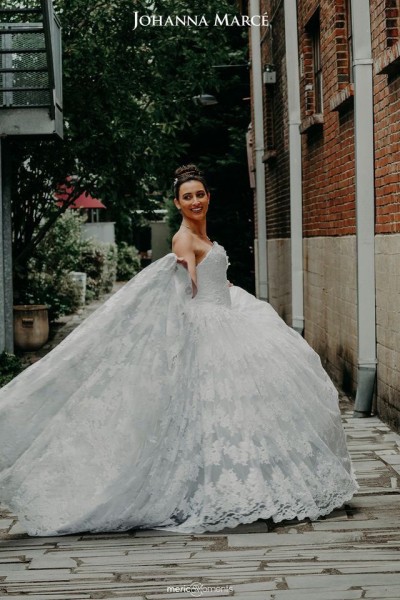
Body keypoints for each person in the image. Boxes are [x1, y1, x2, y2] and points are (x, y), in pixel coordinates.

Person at [0, 164, 357, 537]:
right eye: (187, 197)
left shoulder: (203, 234)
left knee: (248, 407)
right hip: (209, 333)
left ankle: (255, 481)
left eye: (199, 194)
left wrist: (220, 281)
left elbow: (209, 273)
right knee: (217, 412)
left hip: (230, 320)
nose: (195, 201)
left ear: (208, 196)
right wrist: (188, 274)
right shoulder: (183, 239)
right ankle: (228, 490)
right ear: (177, 203)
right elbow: (184, 277)